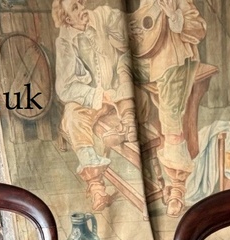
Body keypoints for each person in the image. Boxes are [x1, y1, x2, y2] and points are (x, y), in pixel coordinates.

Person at [52, 0, 138, 211]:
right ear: (66, 18)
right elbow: (65, 88)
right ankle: (97, 187)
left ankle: (127, 125)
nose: (82, 10)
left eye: (80, 3)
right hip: (92, 99)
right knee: (73, 116)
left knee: (128, 77)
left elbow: (127, 21)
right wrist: (98, 95)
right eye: (74, 8)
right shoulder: (65, 42)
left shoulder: (100, 16)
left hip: (116, 90)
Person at [131, 0, 207, 216]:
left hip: (175, 62)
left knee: (170, 121)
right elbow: (142, 23)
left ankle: (177, 187)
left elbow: (199, 28)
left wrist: (175, 16)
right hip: (151, 64)